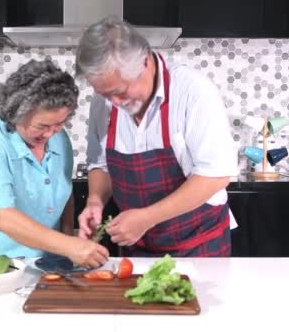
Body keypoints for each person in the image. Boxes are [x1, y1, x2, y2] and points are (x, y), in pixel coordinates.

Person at [75, 16, 238, 257]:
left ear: (145, 62)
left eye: (119, 92)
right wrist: (95, 201)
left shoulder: (194, 92)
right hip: (137, 247)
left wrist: (147, 218)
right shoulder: (105, 103)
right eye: (105, 94)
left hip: (198, 245)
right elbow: (100, 164)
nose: (114, 103)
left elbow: (215, 175)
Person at [0, 59, 109, 268]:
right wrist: (70, 246)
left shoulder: (59, 139)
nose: (51, 133)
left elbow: (63, 188)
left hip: (40, 262)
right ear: (16, 113)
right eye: (42, 125)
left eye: (60, 123)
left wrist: (70, 232)